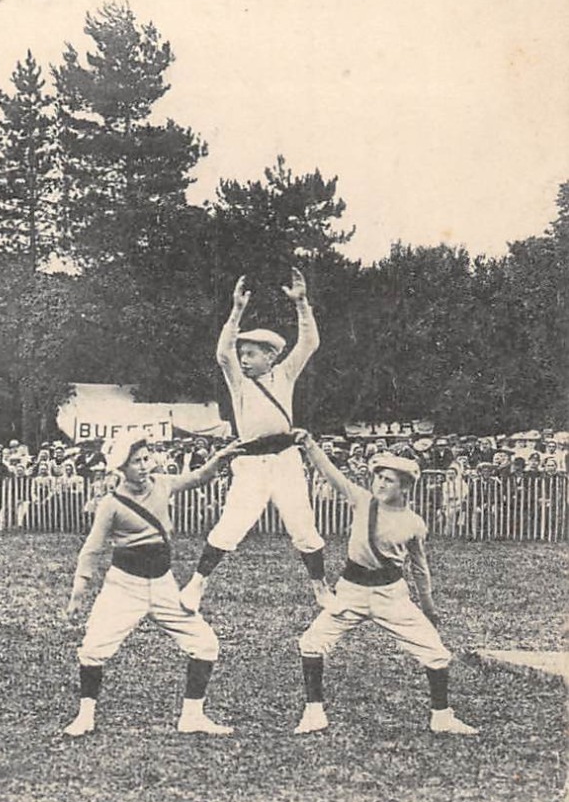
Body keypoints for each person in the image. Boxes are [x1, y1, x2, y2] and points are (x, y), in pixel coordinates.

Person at [291, 433, 478, 735]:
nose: (380, 483)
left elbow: (419, 567)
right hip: (350, 591)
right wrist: (310, 445)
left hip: (391, 596)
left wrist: (428, 606)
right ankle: (315, 714)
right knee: (311, 644)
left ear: (405, 486)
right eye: (378, 477)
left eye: (389, 480)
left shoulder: (414, 522)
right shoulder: (362, 501)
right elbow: (331, 473)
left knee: (436, 653)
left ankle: (441, 716)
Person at [62, 432, 244, 737]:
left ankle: (192, 717)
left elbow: (199, 477)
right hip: (124, 587)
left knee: (205, 644)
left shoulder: (162, 483)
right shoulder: (111, 503)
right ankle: (85, 717)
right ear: (121, 467)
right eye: (136, 462)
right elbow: (92, 548)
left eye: (146, 458)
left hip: (163, 586)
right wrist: (78, 591)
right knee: (93, 649)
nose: (144, 466)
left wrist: (221, 457)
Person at [181, 270, 329, 613]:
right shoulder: (239, 383)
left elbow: (309, 343)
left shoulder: (285, 375)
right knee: (232, 524)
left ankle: (321, 588)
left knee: (303, 526)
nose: (244, 359)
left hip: (286, 460)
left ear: (270, 356)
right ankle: (195, 585)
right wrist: (236, 310)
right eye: (243, 353)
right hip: (251, 462)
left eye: (251, 354)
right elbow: (222, 354)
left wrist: (302, 303)